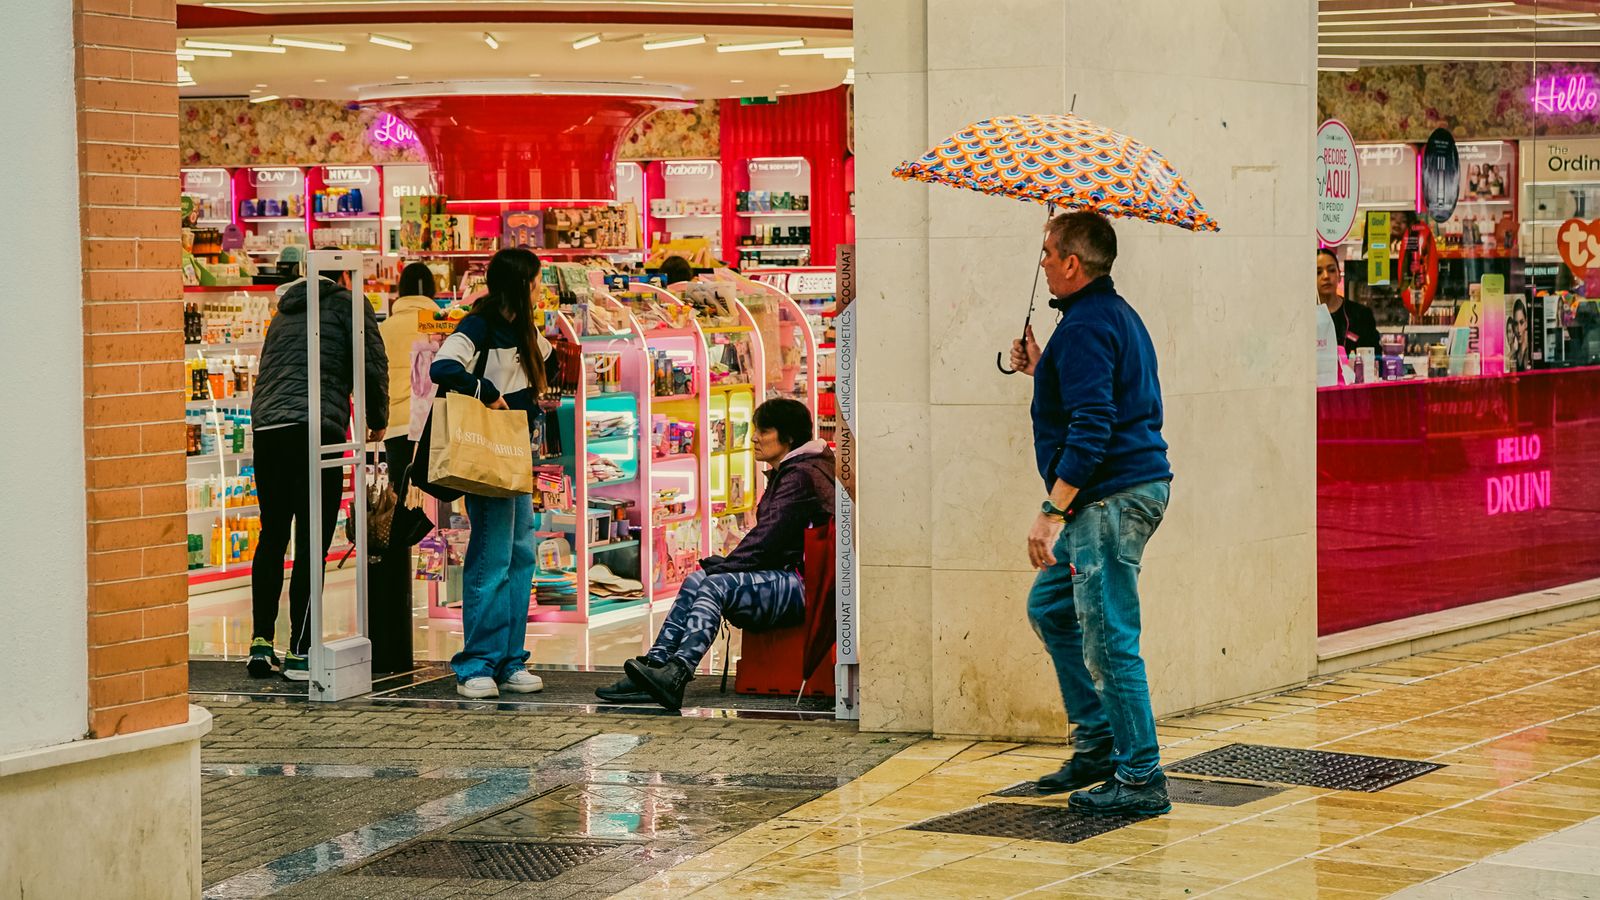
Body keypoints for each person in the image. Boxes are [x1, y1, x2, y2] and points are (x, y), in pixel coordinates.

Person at [1007, 211, 1174, 817]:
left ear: (1073, 263)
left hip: (1108, 501)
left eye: (1048, 252)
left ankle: (1139, 779)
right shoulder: (1104, 317)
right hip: (1122, 494)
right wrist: (1040, 366)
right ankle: (1100, 740)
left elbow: (1093, 426)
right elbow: (1092, 393)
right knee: (1051, 607)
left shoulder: (1085, 326)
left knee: (1109, 640)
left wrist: (1053, 510)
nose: (1044, 261)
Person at [604, 398, 834, 710]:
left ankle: (678, 673)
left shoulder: (800, 475)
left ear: (788, 437)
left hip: (804, 585)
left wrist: (726, 567)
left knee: (713, 583)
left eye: (763, 431)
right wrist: (723, 566)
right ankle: (656, 666)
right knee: (697, 579)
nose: (754, 437)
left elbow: (768, 539)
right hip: (790, 576)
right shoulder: (798, 469)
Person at [247, 259, 388, 680]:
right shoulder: (350, 303)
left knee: (272, 533)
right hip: (317, 430)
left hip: (269, 429)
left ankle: (260, 642)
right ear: (345, 275)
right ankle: (300, 649)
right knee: (312, 540)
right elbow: (372, 363)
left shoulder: (283, 313)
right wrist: (377, 419)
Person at [429, 247, 555, 699]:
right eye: (538, 281)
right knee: (493, 555)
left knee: (521, 554)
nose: (542, 289)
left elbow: (545, 362)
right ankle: (476, 663)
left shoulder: (524, 327)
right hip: (486, 452)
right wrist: (484, 389)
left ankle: (509, 658)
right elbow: (442, 367)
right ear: (522, 284)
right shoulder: (477, 324)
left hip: (517, 450)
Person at [379, 262, 438, 498]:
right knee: (437, 495)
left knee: (400, 492)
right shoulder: (442, 324)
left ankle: (403, 535)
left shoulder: (385, 328)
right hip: (435, 419)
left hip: (396, 421)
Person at [1318, 247, 1380, 354]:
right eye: (1318, 272)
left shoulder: (1362, 315)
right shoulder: (1305, 318)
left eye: (1331, 270)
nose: (1326, 276)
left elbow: (1375, 356)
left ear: (1339, 276)